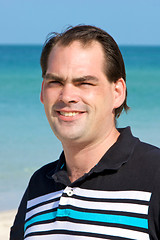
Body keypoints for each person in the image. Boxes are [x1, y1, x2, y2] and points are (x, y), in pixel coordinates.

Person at [10, 25, 160, 240]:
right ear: (42, 92)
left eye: (85, 82)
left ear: (117, 92)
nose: (67, 95)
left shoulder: (155, 175)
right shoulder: (39, 185)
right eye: (56, 82)